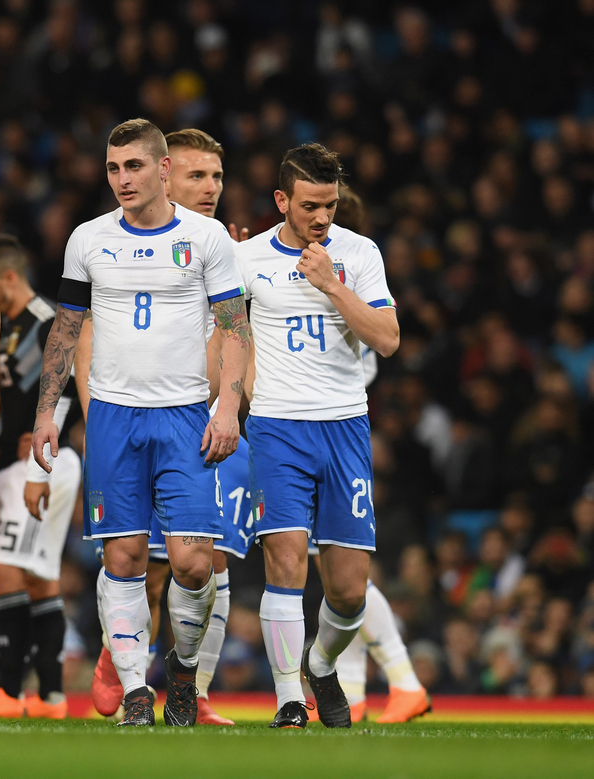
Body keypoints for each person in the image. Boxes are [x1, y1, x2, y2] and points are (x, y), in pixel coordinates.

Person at [32, 118, 250, 727]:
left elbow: (234, 327)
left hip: (184, 416)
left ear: (162, 169)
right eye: (113, 168)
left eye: (134, 166)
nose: (122, 179)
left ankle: (183, 669)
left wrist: (227, 408)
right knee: (124, 558)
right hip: (113, 417)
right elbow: (67, 329)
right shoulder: (88, 239)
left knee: (193, 564)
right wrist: (48, 412)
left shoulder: (207, 238)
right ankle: (135, 691)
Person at [236, 143, 399, 729]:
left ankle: (321, 663)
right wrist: (244, 397)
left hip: (344, 427)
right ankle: (288, 698)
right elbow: (228, 334)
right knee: (285, 562)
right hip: (277, 427)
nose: (322, 217)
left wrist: (333, 285)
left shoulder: (359, 253)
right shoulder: (248, 258)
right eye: (309, 206)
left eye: (329, 205)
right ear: (282, 200)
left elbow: (387, 339)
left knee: (350, 591)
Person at [0, 234, 82, 720]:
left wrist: (45, 451)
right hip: (22, 462)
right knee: (39, 577)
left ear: (9, 277)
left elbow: (69, 387)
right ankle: (50, 697)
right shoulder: (7, 327)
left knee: (6, 569)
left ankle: (7, 693)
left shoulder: (49, 321)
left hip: (43, 461)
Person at [318, 188, 431, 724]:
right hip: (332, 433)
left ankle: (405, 681)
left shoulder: (346, 283)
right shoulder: (354, 283)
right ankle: (356, 692)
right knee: (334, 577)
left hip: (330, 434)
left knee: (345, 577)